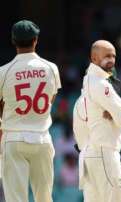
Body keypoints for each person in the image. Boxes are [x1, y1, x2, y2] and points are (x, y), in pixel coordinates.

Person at [0, 20, 61, 202]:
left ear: (13, 41)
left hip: (13, 139)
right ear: (36, 40)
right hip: (42, 138)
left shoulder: (3, 72)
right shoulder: (51, 68)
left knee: (16, 199)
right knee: (44, 197)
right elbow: (51, 99)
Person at [73, 40, 121, 202]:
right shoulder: (101, 85)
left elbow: (78, 132)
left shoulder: (84, 93)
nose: (111, 60)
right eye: (106, 56)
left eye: (113, 55)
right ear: (94, 58)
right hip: (104, 155)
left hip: (88, 157)